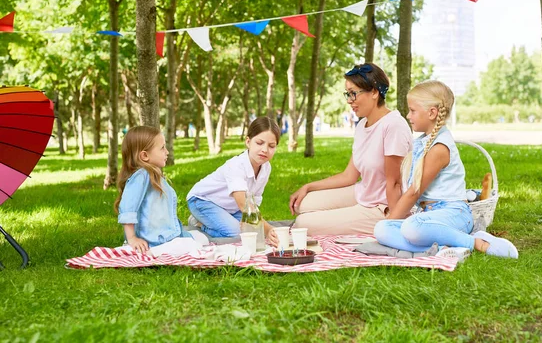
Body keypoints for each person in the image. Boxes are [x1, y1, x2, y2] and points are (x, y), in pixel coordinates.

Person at [374, 80, 518, 259]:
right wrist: (389, 225)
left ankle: (475, 242)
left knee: (411, 227)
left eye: (412, 110)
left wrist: (393, 220)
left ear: (432, 113)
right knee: (381, 229)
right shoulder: (425, 142)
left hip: (454, 215)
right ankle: (443, 247)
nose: (408, 115)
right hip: (431, 218)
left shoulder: (439, 148)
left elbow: (414, 193)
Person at [289, 63, 413, 235]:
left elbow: (395, 183)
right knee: (303, 204)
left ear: (375, 93)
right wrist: (308, 186)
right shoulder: (362, 125)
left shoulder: (394, 126)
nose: (349, 100)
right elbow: (349, 176)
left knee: (303, 223)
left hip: (381, 207)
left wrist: (392, 223)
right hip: (363, 193)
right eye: (348, 94)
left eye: (354, 93)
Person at [187, 116, 280, 244]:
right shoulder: (236, 165)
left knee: (252, 232)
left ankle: (218, 220)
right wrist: (268, 229)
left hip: (230, 208)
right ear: (248, 142)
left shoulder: (266, 167)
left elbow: (254, 199)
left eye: (271, 146)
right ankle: (198, 223)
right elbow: (243, 204)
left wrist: (250, 221)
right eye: (259, 143)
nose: (265, 150)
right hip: (203, 201)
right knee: (237, 234)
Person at [115, 126, 193, 254]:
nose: (167, 152)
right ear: (144, 155)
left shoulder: (151, 174)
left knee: (195, 240)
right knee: (192, 244)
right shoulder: (141, 176)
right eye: (162, 148)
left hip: (161, 236)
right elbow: (128, 207)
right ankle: (154, 252)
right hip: (153, 240)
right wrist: (132, 239)